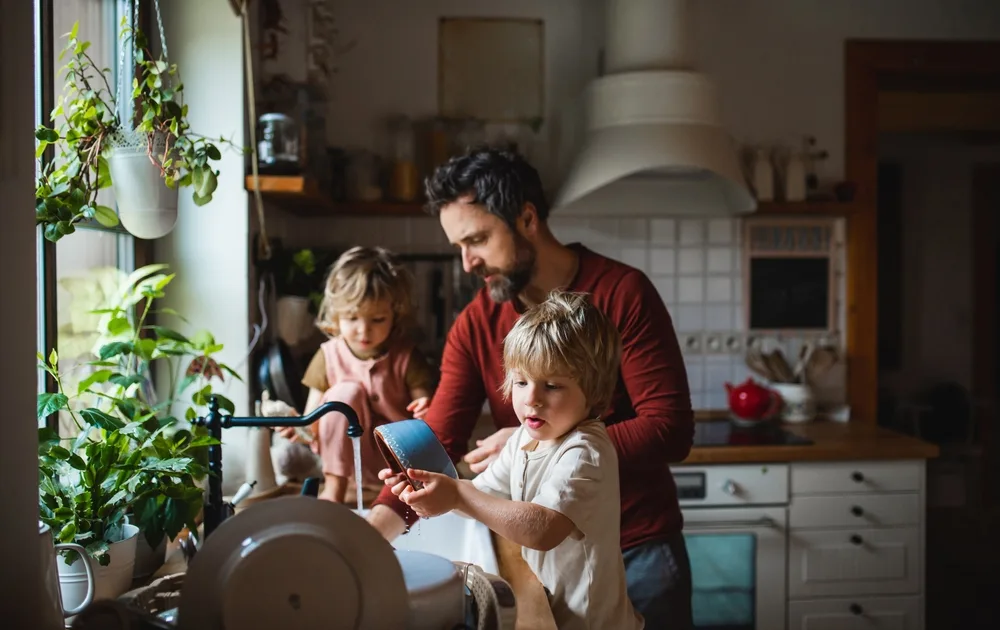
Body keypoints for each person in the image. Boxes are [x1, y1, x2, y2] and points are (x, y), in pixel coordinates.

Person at [365, 147, 694, 628]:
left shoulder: (623, 293)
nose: (467, 263)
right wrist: (375, 532)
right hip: (548, 564)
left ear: (526, 218)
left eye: (477, 239)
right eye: (458, 245)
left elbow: (669, 429)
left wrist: (541, 444)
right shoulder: (477, 321)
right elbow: (436, 442)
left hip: (637, 550)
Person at [382, 291, 643, 630]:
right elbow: (484, 497)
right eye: (521, 382)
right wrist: (432, 492)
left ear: (592, 392)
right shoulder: (525, 437)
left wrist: (459, 494)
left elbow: (542, 529)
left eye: (551, 385)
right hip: (558, 613)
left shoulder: (584, 451)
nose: (531, 399)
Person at [275, 246, 436, 503]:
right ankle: (334, 489)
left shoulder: (406, 356)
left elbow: (426, 409)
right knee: (344, 394)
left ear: (395, 315)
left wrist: (426, 410)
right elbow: (312, 420)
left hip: (397, 461)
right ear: (336, 317)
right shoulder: (328, 356)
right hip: (346, 463)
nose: (364, 331)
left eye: (378, 319)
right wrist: (298, 425)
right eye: (352, 318)